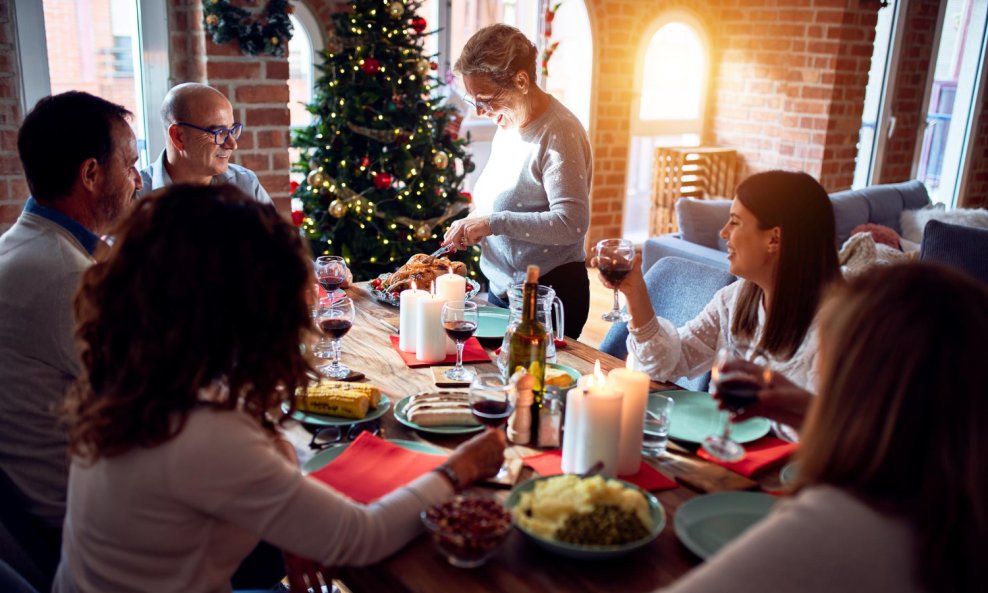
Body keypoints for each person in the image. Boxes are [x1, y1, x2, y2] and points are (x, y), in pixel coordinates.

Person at [52, 184, 505, 593]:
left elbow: (241, 459)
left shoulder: (134, 379)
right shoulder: (201, 432)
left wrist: (291, 517)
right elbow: (360, 537)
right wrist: (458, 469)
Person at [661, 262, 988, 593]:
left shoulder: (845, 524)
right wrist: (812, 413)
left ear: (856, 381)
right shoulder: (956, 524)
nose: (816, 364)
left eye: (825, 353)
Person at [0, 91, 141, 590]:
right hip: (86, 529)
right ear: (90, 175)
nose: (138, 181)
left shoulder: (23, 245)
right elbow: (159, 399)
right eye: (130, 164)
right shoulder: (63, 276)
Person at [598, 170, 841, 394]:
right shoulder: (733, 300)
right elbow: (664, 365)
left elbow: (831, 429)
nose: (724, 232)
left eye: (735, 221)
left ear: (774, 239)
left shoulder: (836, 324)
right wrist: (635, 292)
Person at [443, 24, 592, 339]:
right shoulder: (509, 123)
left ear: (521, 81)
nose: (481, 112)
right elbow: (500, 200)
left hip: (546, 296)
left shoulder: (558, 132)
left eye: (485, 99)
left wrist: (492, 223)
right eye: (474, 101)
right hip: (502, 291)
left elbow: (572, 223)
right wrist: (471, 223)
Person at [136, 83, 272, 203]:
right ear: (178, 136)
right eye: (219, 132)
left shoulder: (246, 184)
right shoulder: (133, 197)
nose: (232, 144)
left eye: (232, 131)